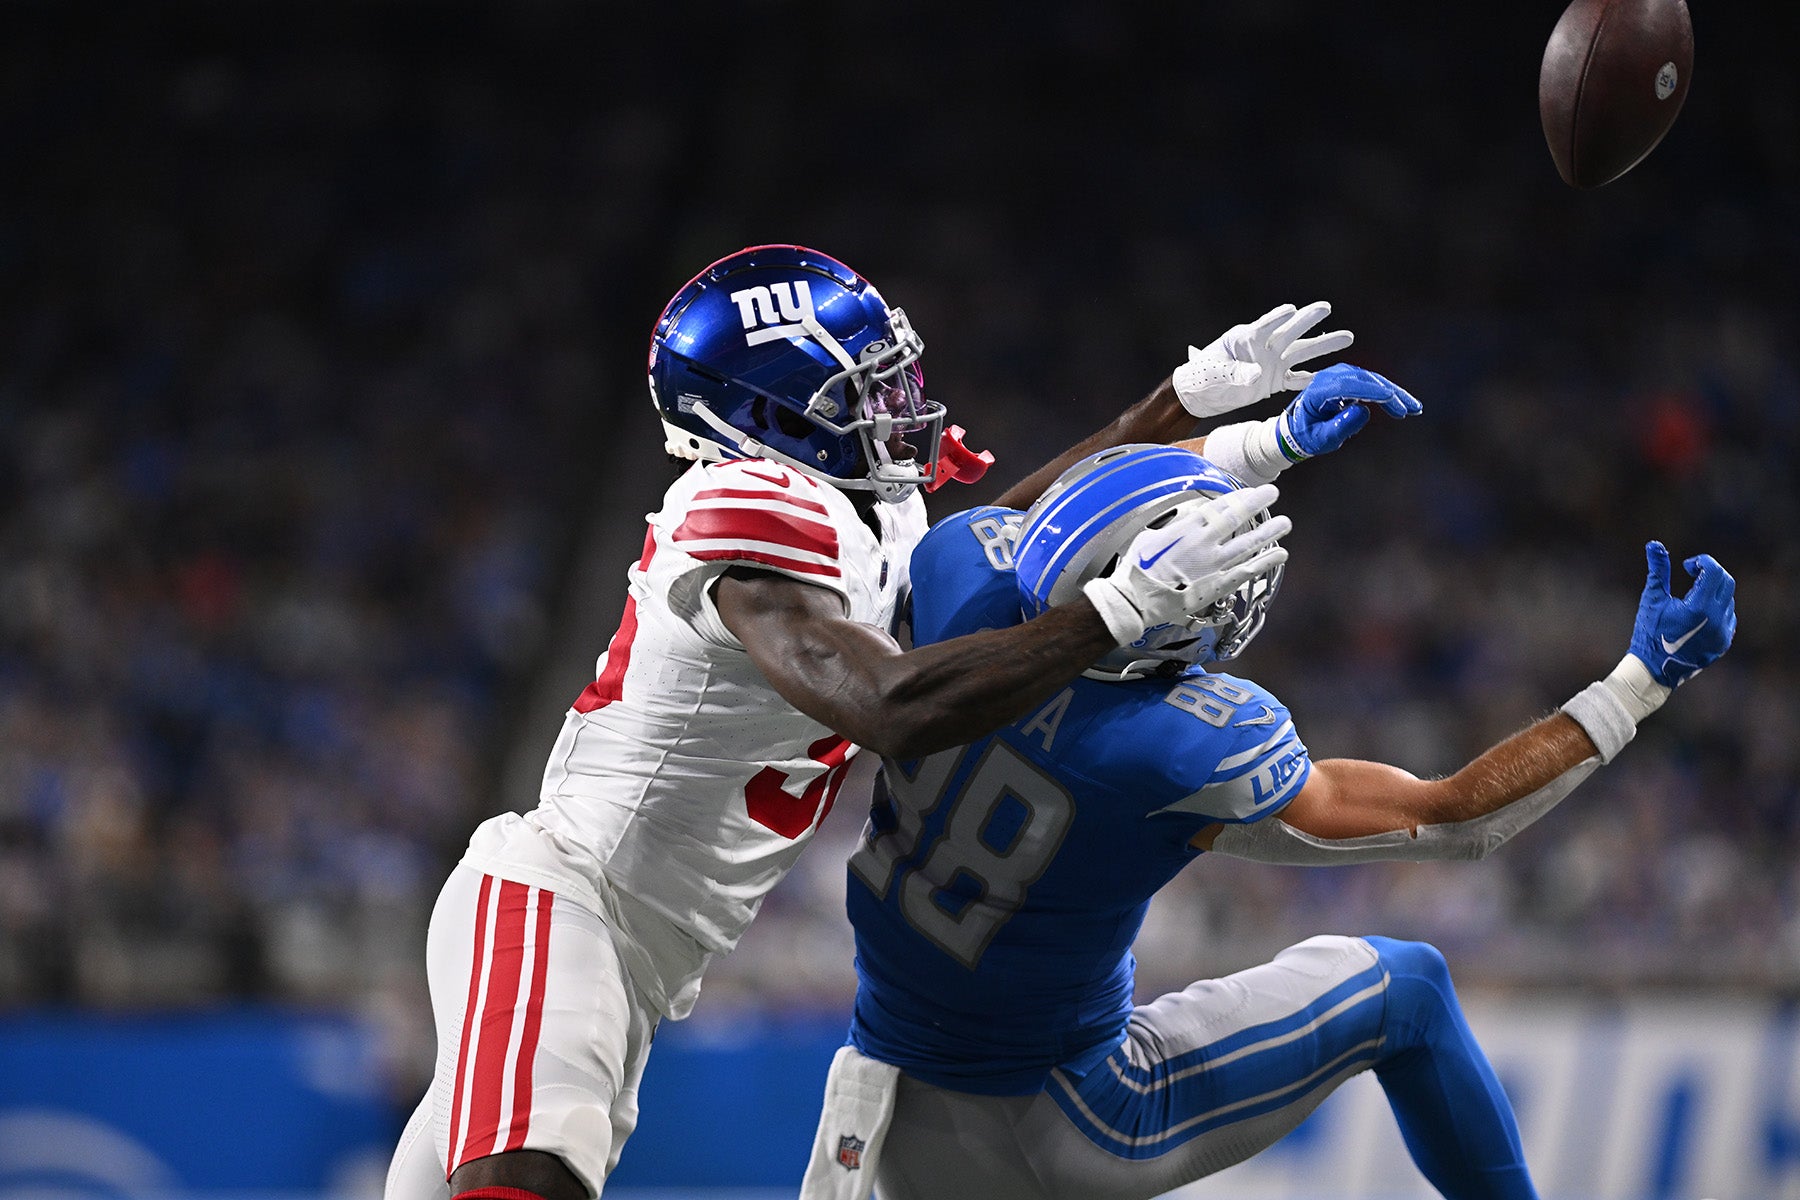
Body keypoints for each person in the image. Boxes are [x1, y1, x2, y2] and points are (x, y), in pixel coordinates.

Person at [381, 243, 1403, 1200]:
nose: (898, 406)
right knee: (529, 1181)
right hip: (569, 901)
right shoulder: (745, 505)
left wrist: (1215, 426)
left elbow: (1012, 549)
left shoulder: (858, 510)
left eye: (891, 377)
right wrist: (1118, 614)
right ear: (763, 418)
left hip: (644, 949)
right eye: (860, 391)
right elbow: (894, 705)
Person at [801, 443, 1737, 1200]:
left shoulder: (958, 566)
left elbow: (1078, 499)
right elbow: (1452, 821)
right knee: (1405, 989)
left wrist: (1260, 446)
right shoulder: (1174, 745)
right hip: (1060, 1119)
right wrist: (1640, 684)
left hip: (880, 1092)